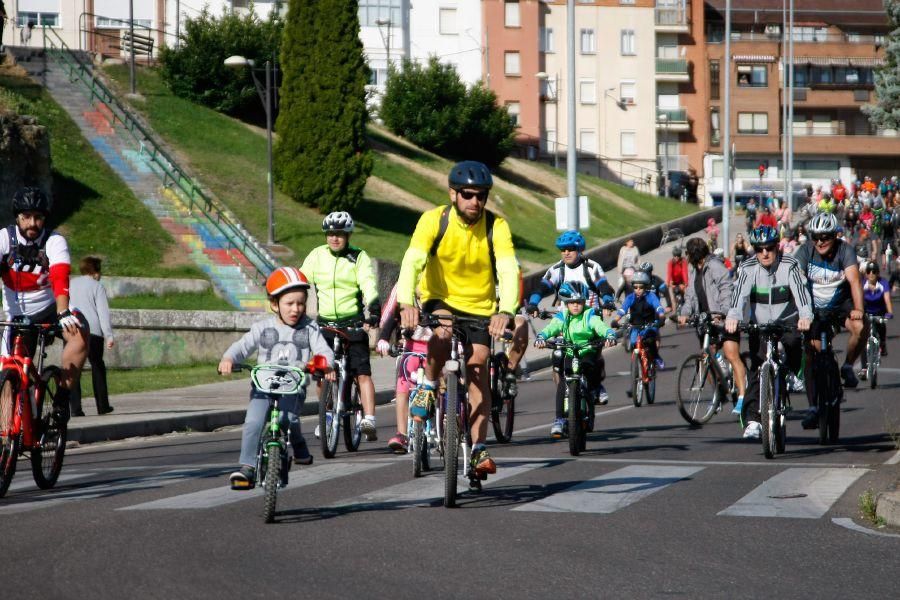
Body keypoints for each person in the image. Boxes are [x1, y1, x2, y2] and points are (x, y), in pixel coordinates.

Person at [398, 160, 520, 478]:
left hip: (481, 307)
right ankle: (427, 384)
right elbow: (413, 259)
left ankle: (479, 448)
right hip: (441, 298)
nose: (475, 202)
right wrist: (405, 302)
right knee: (443, 332)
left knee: (479, 365)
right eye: (467, 194)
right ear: (453, 194)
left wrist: (505, 310)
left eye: (481, 195)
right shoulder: (433, 220)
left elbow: (508, 269)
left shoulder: (497, 226)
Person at [219, 267, 334, 489]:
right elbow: (242, 346)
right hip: (263, 388)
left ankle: (299, 446)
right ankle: (247, 467)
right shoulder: (262, 328)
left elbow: (323, 351)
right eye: (289, 303)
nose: (296, 309)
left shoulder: (309, 328)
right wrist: (228, 358)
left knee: (287, 419)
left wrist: (324, 364)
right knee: (253, 422)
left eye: (300, 303)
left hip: (292, 388)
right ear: (275, 304)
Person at [0, 187, 88, 423]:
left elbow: (60, 276)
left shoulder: (54, 240)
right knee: (7, 377)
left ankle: (61, 398)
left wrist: (62, 312)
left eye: (38, 217)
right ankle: (6, 441)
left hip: (50, 309)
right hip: (16, 316)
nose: (32, 223)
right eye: (26, 216)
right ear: (17, 217)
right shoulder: (4, 239)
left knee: (80, 332)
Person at [725, 226, 812, 439]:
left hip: (787, 321)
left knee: (792, 343)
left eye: (770, 248)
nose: (765, 253)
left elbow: (802, 295)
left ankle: (793, 372)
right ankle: (754, 420)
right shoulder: (747, 267)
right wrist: (733, 316)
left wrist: (805, 316)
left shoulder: (789, 264)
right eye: (759, 249)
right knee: (757, 370)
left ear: (777, 247)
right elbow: (738, 297)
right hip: (761, 325)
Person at [301, 211, 381, 441]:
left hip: (353, 324)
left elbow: (368, 282)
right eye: (331, 233)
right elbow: (302, 281)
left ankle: (368, 420)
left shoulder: (358, 256)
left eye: (340, 234)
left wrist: (373, 307)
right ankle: (326, 415)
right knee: (319, 373)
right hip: (325, 325)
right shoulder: (317, 255)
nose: (335, 238)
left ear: (348, 235)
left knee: (362, 373)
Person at [526, 229, 615, 403]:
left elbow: (603, 286)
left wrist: (607, 301)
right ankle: (565, 394)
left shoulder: (591, 267)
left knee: (592, 356)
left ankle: (596, 385)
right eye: (563, 249)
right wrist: (533, 304)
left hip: (590, 318)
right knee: (558, 359)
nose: (566, 253)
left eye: (570, 249)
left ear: (579, 249)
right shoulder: (557, 269)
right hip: (566, 320)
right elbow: (542, 287)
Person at [794, 212, 865, 428]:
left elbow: (854, 282)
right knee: (811, 352)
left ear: (835, 235)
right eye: (815, 236)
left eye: (825, 237)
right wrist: (800, 313)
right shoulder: (805, 251)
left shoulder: (845, 250)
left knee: (860, 327)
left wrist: (859, 309)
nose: (820, 241)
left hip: (840, 304)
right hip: (813, 306)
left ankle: (847, 366)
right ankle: (813, 407)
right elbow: (796, 281)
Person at [534, 282, 616, 438]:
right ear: (566, 303)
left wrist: (609, 335)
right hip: (570, 352)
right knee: (563, 382)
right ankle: (559, 420)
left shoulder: (589, 314)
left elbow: (600, 326)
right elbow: (552, 327)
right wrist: (541, 337)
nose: (576, 306)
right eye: (572, 303)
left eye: (579, 302)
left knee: (592, 370)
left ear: (584, 302)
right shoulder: (563, 316)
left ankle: (593, 393)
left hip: (586, 350)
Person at [678, 237, 747, 410]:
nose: (686, 257)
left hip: (724, 319)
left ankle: (742, 397)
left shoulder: (715, 266)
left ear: (694, 254)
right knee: (705, 358)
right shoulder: (694, 270)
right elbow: (690, 296)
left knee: (731, 355)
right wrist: (685, 314)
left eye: (688, 253)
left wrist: (722, 312)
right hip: (705, 321)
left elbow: (727, 288)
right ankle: (719, 394)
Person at [376, 282, 432, 453]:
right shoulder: (406, 297)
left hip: (436, 350)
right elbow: (392, 318)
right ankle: (402, 434)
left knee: (442, 383)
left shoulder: (441, 298)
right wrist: (384, 339)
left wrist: (457, 344)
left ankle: (447, 421)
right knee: (402, 387)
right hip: (412, 348)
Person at [69, 257, 115, 416]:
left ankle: (75, 408)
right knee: (97, 366)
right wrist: (109, 335)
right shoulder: (97, 286)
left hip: (72, 330)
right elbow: (103, 313)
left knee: (74, 369)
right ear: (95, 271)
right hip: (93, 331)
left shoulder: (71, 284)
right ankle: (102, 406)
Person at [612, 270, 666, 368]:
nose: (638, 289)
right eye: (635, 287)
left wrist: (662, 317)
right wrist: (615, 320)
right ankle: (638, 367)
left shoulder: (651, 296)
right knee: (633, 343)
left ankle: (656, 357)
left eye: (641, 287)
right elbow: (622, 310)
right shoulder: (630, 298)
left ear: (646, 287)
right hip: (635, 326)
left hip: (649, 325)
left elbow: (658, 307)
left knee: (650, 341)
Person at [858, 261, 893, 380]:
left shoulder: (883, 283)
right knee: (863, 339)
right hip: (866, 312)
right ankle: (864, 368)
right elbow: (858, 300)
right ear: (866, 274)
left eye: (874, 271)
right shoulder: (862, 284)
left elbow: (887, 299)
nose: (871, 274)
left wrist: (889, 312)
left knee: (882, 325)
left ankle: (882, 343)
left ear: (878, 273)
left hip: (880, 311)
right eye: (869, 271)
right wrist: (858, 312)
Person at [666, 245, 689, 310]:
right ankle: (674, 311)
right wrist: (668, 282)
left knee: (685, 294)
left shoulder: (683, 261)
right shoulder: (671, 262)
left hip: (681, 281)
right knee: (673, 298)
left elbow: (685, 272)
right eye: (675, 256)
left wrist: (686, 283)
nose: (676, 257)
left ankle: (688, 306)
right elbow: (669, 272)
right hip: (674, 282)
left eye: (678, 256)